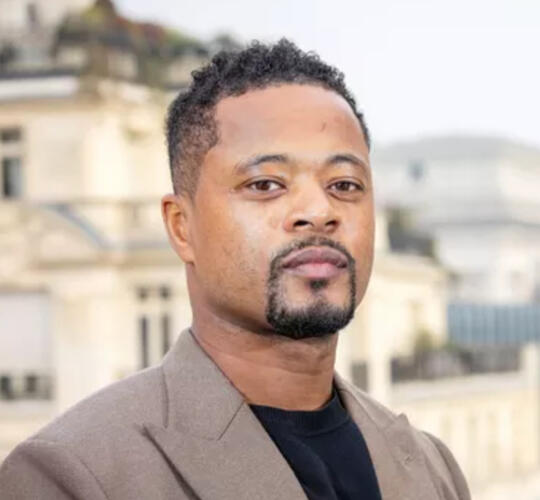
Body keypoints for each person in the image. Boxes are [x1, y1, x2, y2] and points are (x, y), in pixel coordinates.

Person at [0, 39, 470, 500]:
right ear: (181, 227)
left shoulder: (432, 468)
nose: (318, 210)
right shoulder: (74, 475)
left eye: (344, 184)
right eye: (265, 184)